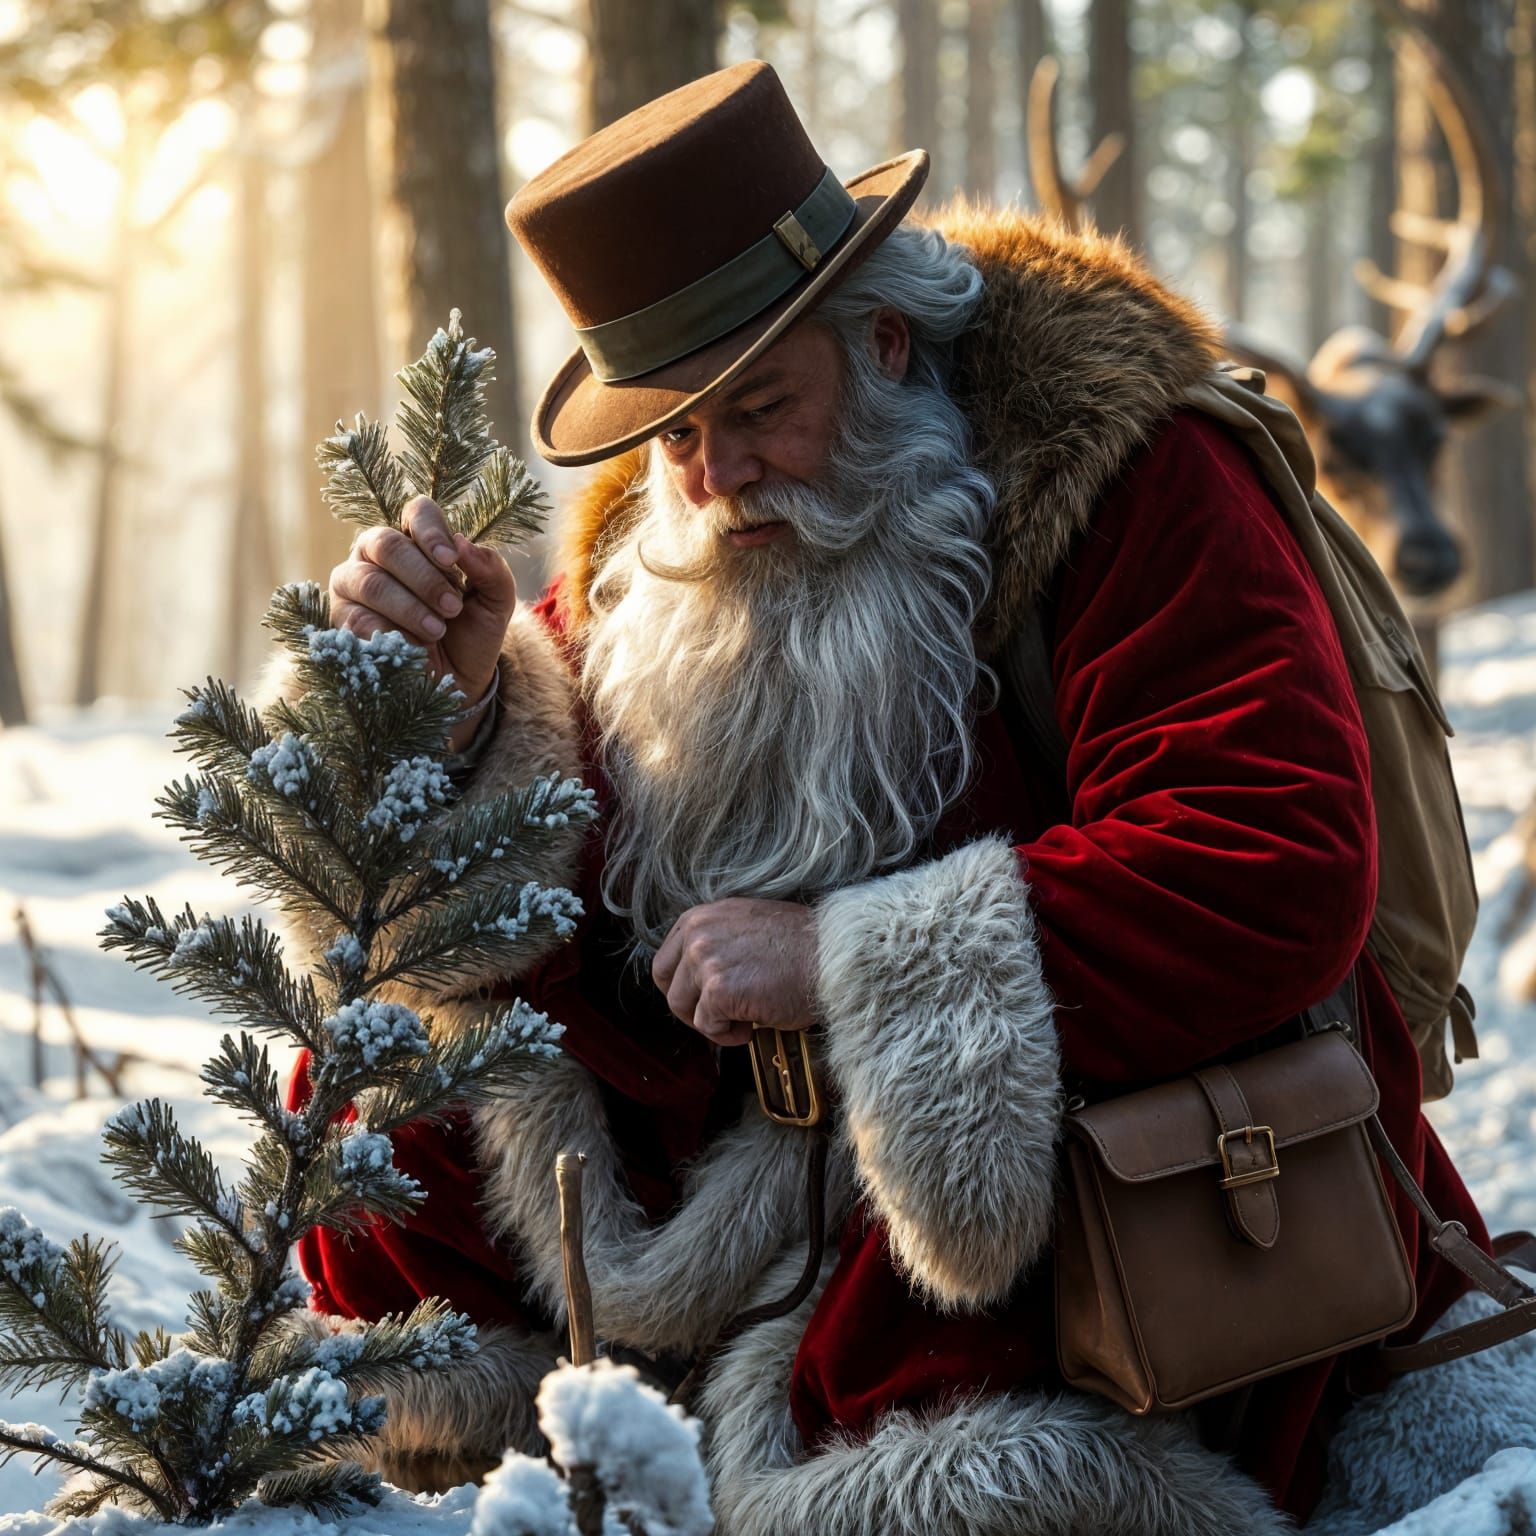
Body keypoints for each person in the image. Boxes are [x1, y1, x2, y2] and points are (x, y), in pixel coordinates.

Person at [281, 61, 1490, 1533]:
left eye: (762, 406)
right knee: (385, 1069)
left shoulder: (1136, 474)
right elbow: (571, 890)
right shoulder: (666, 543)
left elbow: (1269, 857)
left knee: (922, 1357)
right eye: (675, 434)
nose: (720, 477)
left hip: (1063, 1148)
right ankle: (503, 1447)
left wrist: (844, 960)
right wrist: (464, 702)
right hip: (740, 1170)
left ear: (888, 342)